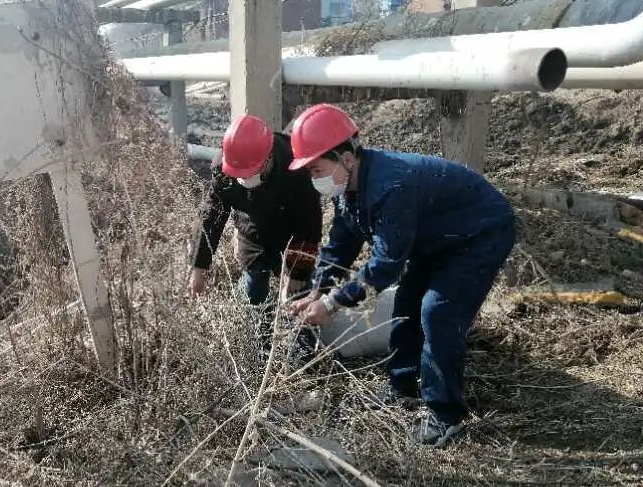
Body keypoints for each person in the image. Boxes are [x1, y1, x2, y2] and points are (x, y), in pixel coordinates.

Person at [289, 104, 516, 447]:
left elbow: (386, 265)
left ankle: (446, 416)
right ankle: (403, 384)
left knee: (438, 312)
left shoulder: (390, 186)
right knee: (408, 302)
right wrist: (318, 290)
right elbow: (340, 244)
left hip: (479, 233)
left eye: (315, 169)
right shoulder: (348, 190)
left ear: (346, 158)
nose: (313, 178)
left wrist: (333, 303)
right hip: (438, 237)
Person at [189, 114, 322, 306]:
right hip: (252, 232)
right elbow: (211, 217)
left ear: (269, 158)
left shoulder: (295, 167)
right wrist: (198, 267)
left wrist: (298, 270)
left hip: (290, 235)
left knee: (299, 295)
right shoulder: (225, 169)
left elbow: (309, 221)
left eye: (250, 172)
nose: (244, 179)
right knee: (253, 293)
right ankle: (254, 314)